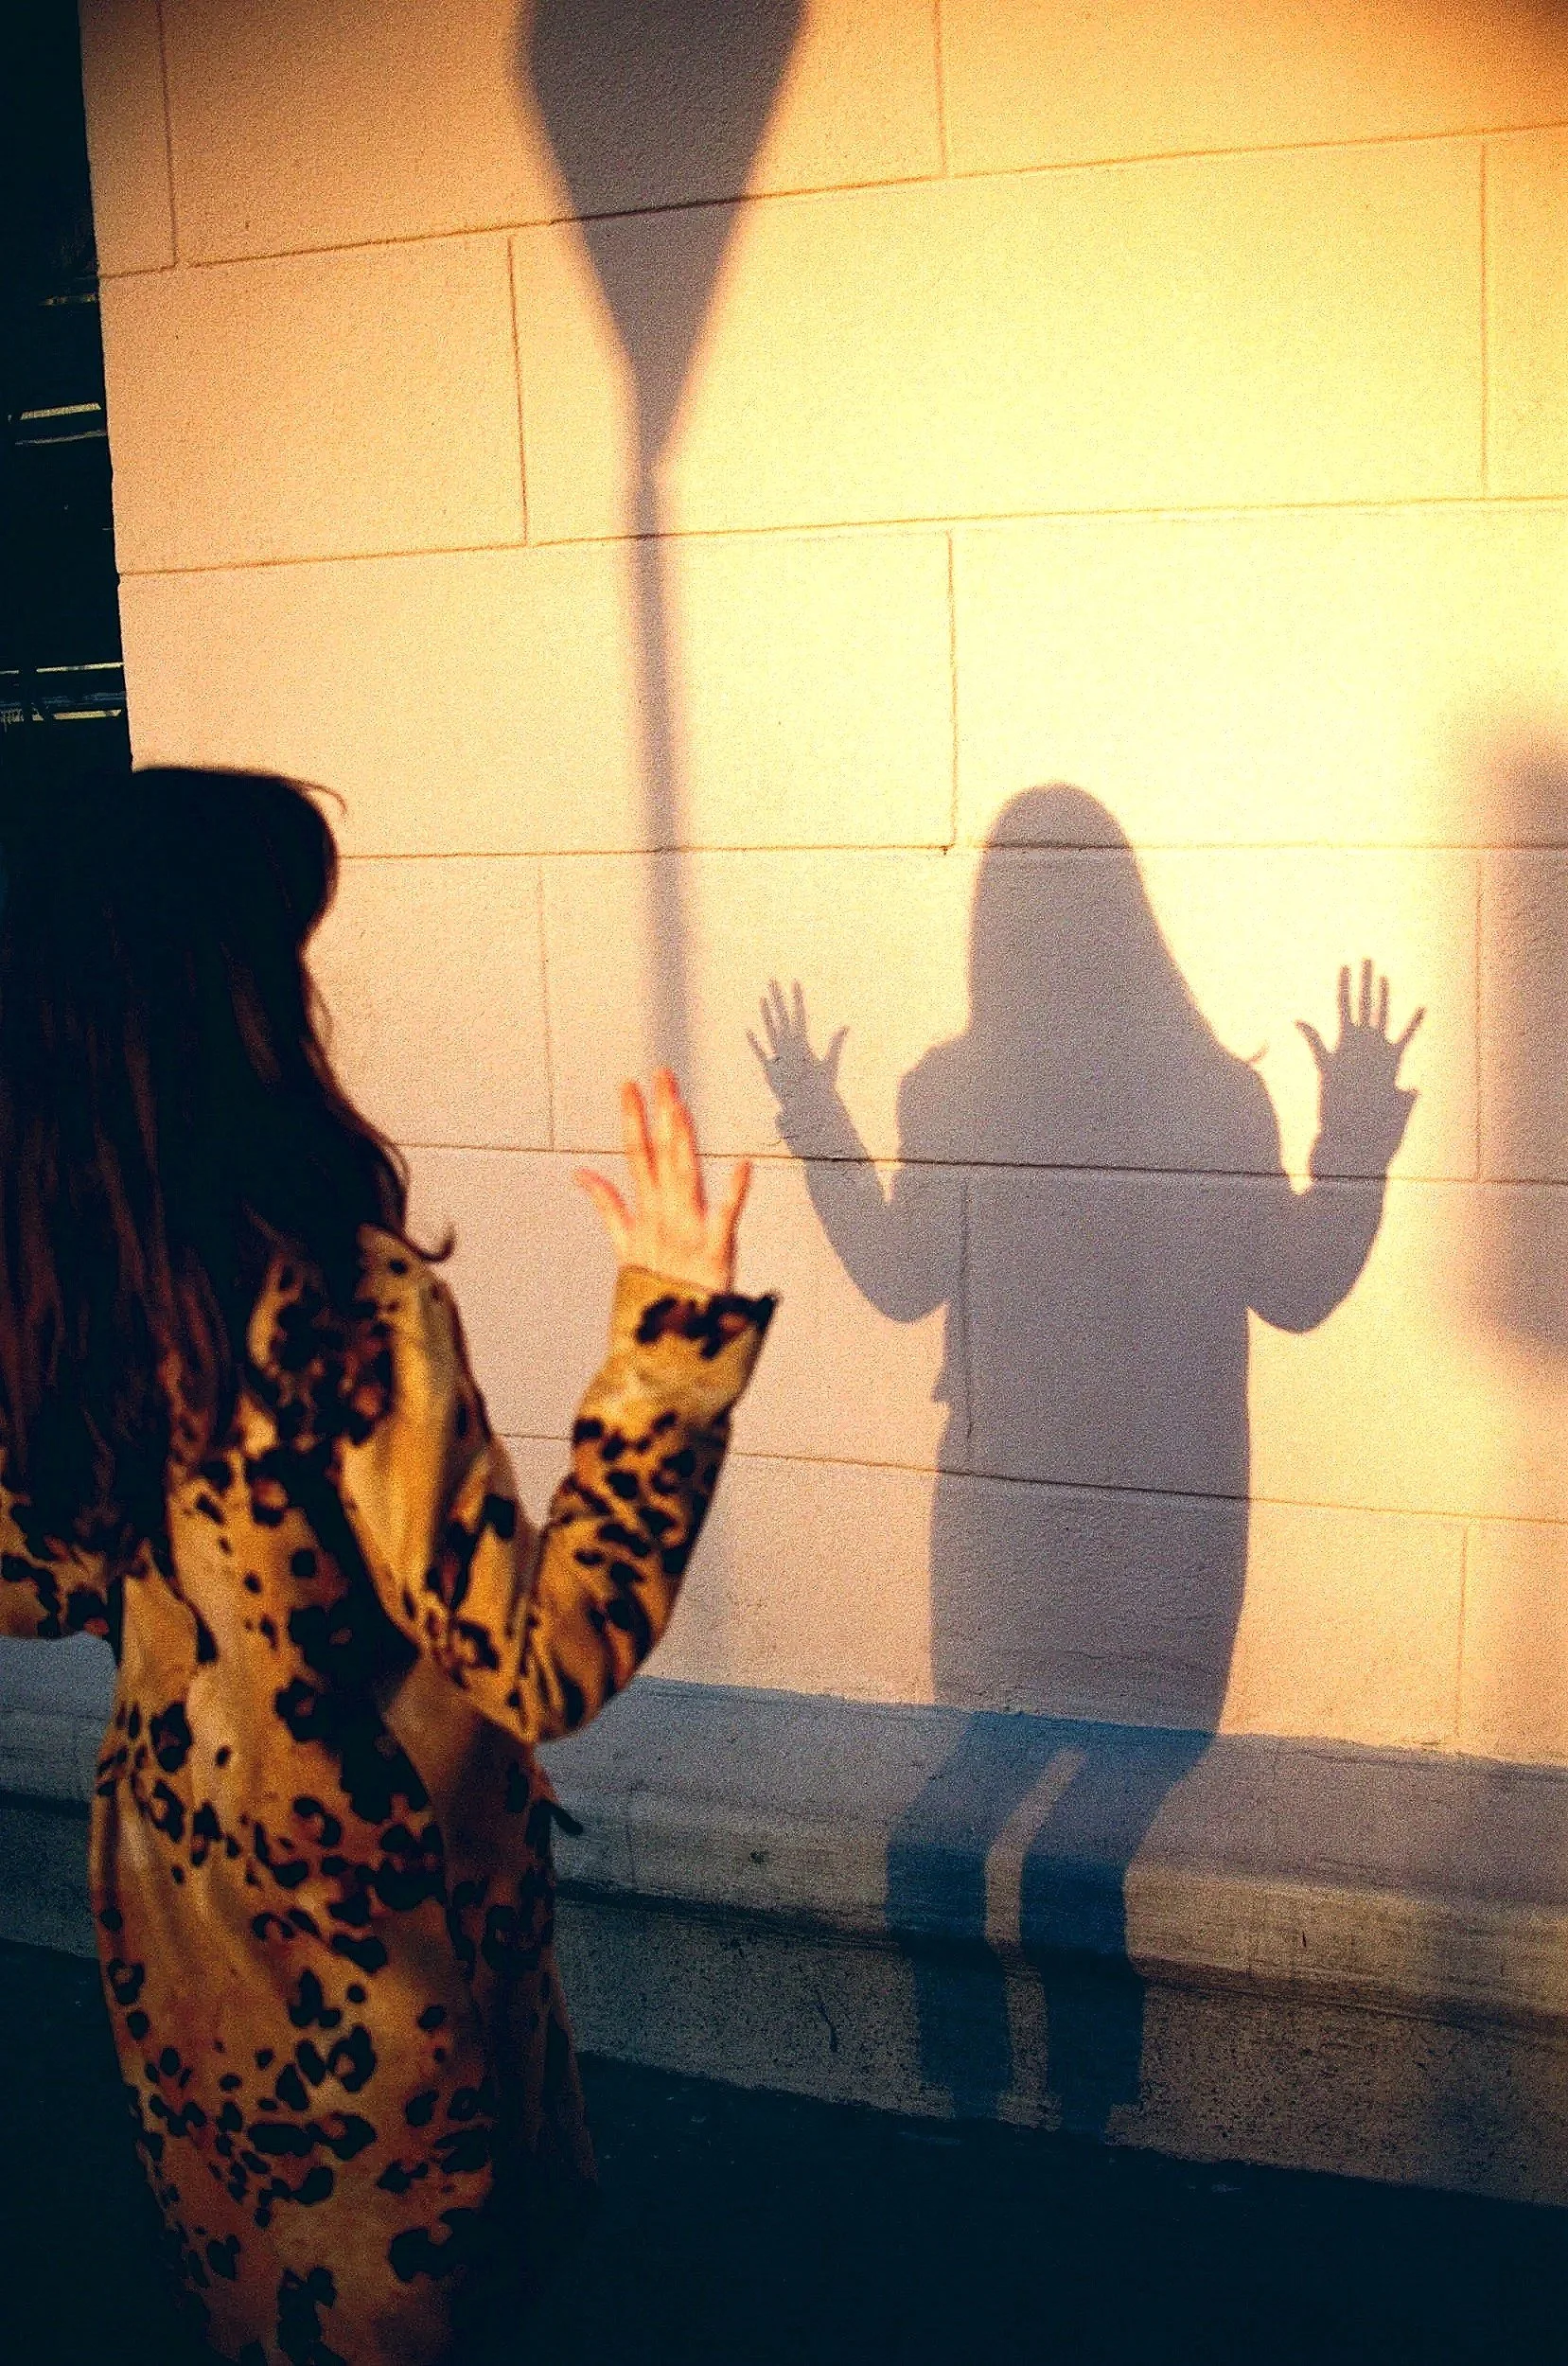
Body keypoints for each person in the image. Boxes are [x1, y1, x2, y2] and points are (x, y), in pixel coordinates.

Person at [0, 767, 773, 2365]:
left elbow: (42, 1577)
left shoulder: (64, 1273)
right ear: (239, 1006)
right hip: (375, 1931)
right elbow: (542, 1661)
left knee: (255, 2288)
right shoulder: (338, 1306)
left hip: (181, 1894)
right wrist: (671, 1337)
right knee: (403, 2298)